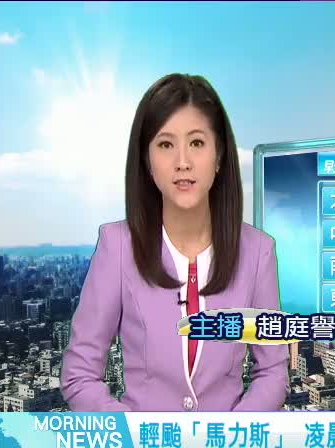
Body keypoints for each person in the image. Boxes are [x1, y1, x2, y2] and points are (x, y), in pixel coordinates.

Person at [61, 74, 289, 412]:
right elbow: (79, 375)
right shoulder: (117, 246)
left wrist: (231, 433)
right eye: (166, 145)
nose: (183, 162)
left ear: (219, 155)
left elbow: (273, 373)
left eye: (196, 143)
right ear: (147, 161)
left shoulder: (258, 252)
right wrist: (137, 435)